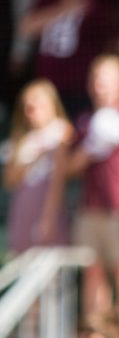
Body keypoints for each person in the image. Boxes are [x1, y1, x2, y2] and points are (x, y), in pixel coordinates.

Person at [55, 55, 119, 331]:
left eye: (106, 77)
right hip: (90, 209)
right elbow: (70, 168)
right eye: (96, 78)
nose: (100, 84)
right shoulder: (86, 121)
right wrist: (89, 149)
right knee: (93, 273)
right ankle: (96, 336)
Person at [17, 0, 115, 116]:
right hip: (49, 88)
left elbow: (110, 41)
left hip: (80, 88)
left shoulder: (93, 4)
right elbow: (26, 28)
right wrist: (64, 7)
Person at [5, 78, 72, 253]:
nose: (32, 110)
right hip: (23, 208)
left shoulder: (61, 132)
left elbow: (58, 180)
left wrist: (48, 218)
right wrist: (29, 157)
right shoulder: (21, 139)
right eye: (28, 106)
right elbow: (9, 180)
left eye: (38, 102)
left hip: (49, 209)